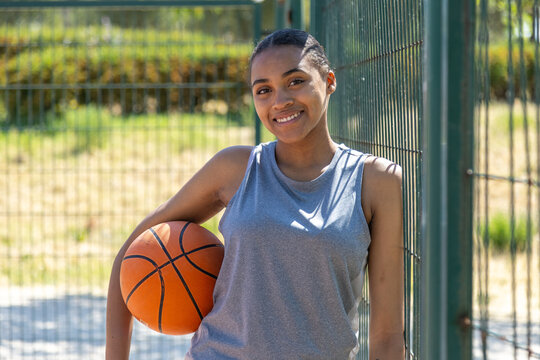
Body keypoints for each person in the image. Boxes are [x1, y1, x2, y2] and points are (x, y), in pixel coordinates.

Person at [106, 28, 404, 360]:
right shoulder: (235, 168)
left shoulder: (377, 180)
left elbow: (388, 334)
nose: (280, 101)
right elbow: (130, 256)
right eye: (264, 90)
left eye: (295, 81)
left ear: (329, 80)